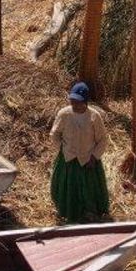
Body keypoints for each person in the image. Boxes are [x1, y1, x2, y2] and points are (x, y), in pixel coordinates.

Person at [50, 82, 110, 222]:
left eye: (77, 102)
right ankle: (66, 210)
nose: (74, 105)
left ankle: (89, 212)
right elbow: (55, 134)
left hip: (88, 159)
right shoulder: (64, 114)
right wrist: (62, 149)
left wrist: (94, 157)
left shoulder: (94, 116)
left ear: (85, 102)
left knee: (89, 188)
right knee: (67, 186)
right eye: (72, 101)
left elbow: (102, 140)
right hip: (68, 158)